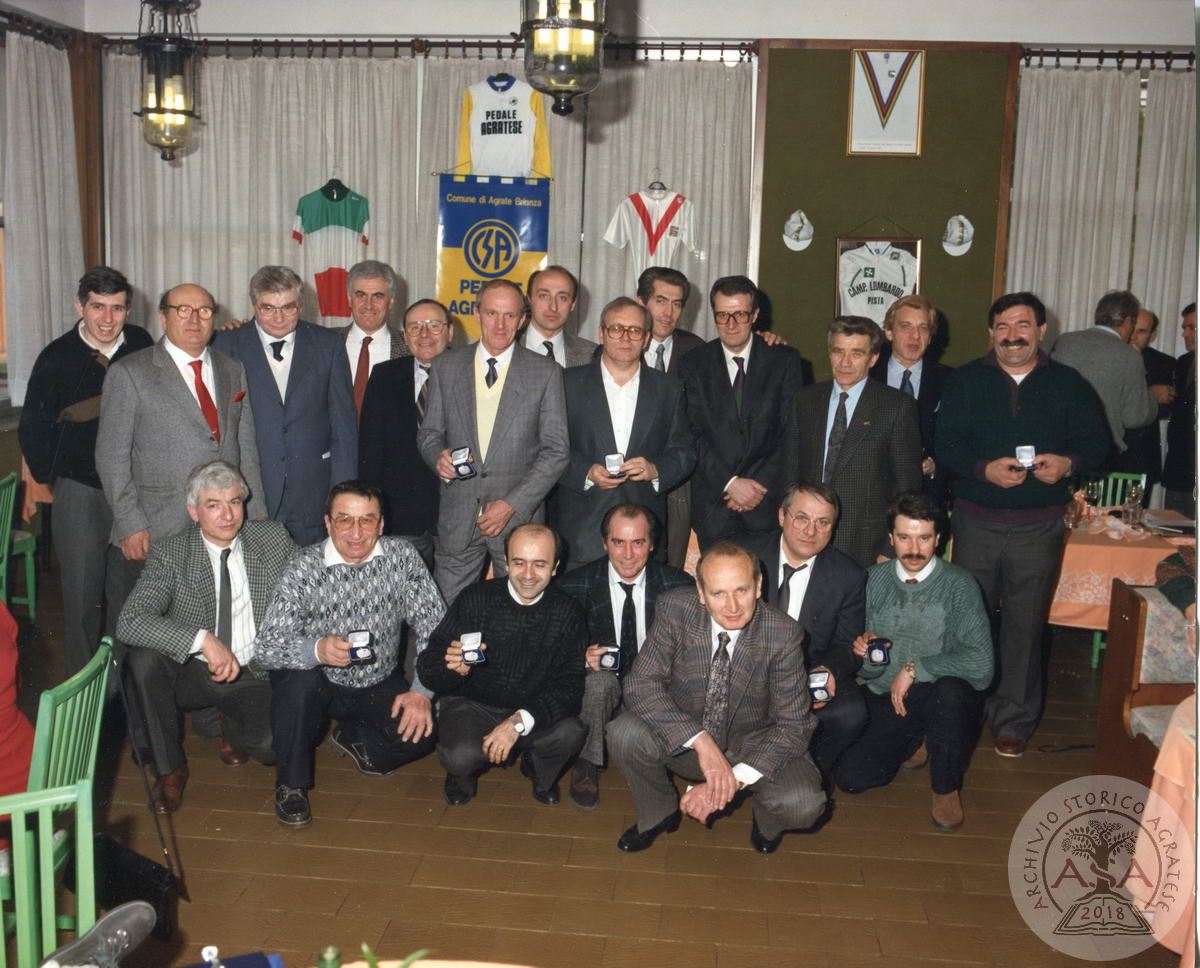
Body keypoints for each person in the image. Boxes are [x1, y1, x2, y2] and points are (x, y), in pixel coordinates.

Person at [935, 292, 1109, 758]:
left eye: (1023, 325)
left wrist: (1068, 463)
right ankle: (960, 715)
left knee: (1025, 628)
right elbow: (944, 443)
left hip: (1039, 527)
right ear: (991, 333)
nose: (1013, 335)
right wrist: (981, 470)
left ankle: (1013, 719)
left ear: (1041, 330)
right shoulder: (967, 380)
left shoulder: (1069, 383)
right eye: (1003, 327)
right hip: (975, 522)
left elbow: (1099, 444)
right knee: (967, 625)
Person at [607, 542, 825, 854]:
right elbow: (641, 684)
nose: (732, 606)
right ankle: (659, 812)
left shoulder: (783, 634)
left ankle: (766, 821)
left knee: (802, 804)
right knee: (623, 733)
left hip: (751, 747)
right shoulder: (675, 609)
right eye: (718, 593)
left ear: (759, 585)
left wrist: (728, 782)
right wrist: (701, 741)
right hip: (686, 741)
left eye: (741, 590)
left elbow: (794, 727)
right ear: (700, 592)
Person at [253, 481, 445, 828]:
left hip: (377, 680)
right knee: (297, 685)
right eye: (344, 520)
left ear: (382, 525)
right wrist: (316, 649)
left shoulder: (402, 557)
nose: (356, 533)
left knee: (423, 733)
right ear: (328, 523)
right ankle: (291, 786)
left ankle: (355, 738)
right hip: (317, 681)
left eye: (367, 520)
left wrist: (420, 691)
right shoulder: (304, 566)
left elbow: (436, 629)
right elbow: (265, 647)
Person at [118, 462, 297, 814]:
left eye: (235, 502)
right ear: (193, 512)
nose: (227, 515)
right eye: (213, 505)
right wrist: (203, 640)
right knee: (143, 660)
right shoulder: (171, 553)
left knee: (274, 747)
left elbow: (311, 589)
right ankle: (170, 769)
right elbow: (130, 620)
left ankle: (231, 724)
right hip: (193, 672)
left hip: (252, 671)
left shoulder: (274, 539)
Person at [96, 283, 266, 648]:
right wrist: (129, 522)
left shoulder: (231, 368)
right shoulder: (130, 373)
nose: (194, 319)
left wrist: (256, 514)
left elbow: (244, 444)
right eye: (182, 310)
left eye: (204, 311)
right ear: (163, 316)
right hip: (154, 527)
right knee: (141, 646)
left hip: (217, 528)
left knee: (204, 629)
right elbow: (111, 456)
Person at [18, 267, 153, 677]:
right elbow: (33, 429)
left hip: (133, 494)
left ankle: (122, 692)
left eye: (117, 308)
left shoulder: (143, 346)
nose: (108, 319)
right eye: (98, 307)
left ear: (129, 309)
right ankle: (85, 698)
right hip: (82, 492)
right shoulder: (56, 357)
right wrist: (58, 477)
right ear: (81, 306)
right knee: (82, 602)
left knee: (131, 598)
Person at [834, 493, 993, 831]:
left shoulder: (960, 584)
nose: (914, 549)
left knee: (951, 693)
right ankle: (916, 738)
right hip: (885, 695)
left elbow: (982, 663)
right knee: (851, 778)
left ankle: (946, 787)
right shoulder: (871, 580)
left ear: (939, 539)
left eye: (924, 538)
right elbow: (862, 670)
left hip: (937, 693)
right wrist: (863, 655)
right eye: (904, 537)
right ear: (890, 538)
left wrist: (916, 668)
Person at [417, 279, 569, 605]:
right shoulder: (446, 365)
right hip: (458, 517)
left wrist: (511, 504)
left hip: (517, 522)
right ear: (476, 313)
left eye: (509, 316)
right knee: (446, 616)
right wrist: (437, 458)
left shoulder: (545, 372)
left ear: (522, 319)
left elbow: (556, 452)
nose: (500, 324)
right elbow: (429, 434)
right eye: (491, 313)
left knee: (522, 618)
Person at [417, 524, 587, 807]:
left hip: (531, 709)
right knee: (460, 757)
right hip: (474, 705)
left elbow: (570, 686)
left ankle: (538, 769)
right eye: (519, 563)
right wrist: (451, 669)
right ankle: (460, 776)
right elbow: (428, 667)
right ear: (506, 562)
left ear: (555, 567)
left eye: (540, 564)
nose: (529, 575)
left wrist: (518, 722)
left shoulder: (568, 612)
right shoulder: (476, 598)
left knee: (572, 732)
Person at [557, 504, 693, 809]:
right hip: (602, 692)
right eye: (618, 542)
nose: (628, 554)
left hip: (657, 689)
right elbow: (552, 651)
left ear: (652, 544)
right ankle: (586, 764)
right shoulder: (573, 586)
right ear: (605, 543)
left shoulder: (680, 586)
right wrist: (580, 656)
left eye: (638, 542)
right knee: (599, 683)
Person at [213, 266, 357, 546]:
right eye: (268, 308)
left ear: (301, 304)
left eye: (288, 307)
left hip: (314, 491)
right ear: (254, 305)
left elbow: (344, 426)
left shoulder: (328, 344)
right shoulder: (225, 344)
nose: (278, 318)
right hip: (250, 492)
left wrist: (343, 493)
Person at [738, 483, 867, 781]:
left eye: (823, 522)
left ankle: (807, 775)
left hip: (806, 671)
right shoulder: (744, 554)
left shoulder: (848, 575)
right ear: (782, 516)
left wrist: (828, 670)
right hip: (743, 668)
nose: (811, 531)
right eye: (802, 518)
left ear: (833, 528)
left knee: (851, 714)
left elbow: (847, 644)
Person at [555, 297, 695, 569]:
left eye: (635, 331)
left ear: (646, 339)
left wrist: (655, 469)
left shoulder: (670, 389)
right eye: (616, 329)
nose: (625, 338)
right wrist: (585, 472)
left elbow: (685, 452)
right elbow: (551, 448)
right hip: (581, 530)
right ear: (601, 333)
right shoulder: (566, 383)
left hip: (644, 531)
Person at [783, 316, 922, 568]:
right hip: (805, 539)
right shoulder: (805, 400)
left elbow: (907, 488)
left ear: (873, 358)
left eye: (856, 354)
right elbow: (791, 471)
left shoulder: (896, 407)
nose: (845, 363)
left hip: (865, 545)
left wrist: (889, 548)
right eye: (838, 352)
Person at [678, 275, 805, 549]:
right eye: (723, 315)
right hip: (715, 505)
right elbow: (690, 433)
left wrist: (756, 485)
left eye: (740, 314)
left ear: (756, 314)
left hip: (766, 504)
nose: (731, 324)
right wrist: (730, 482)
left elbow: (791, 432)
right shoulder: (692, 364)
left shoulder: (785, 361)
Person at [358, 298, 453, 568]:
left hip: (455, 516)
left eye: (434, 326)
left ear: (450, 331)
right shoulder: (384, 376)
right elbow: (370, 450)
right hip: (401, 518)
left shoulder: (473, 373)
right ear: (405, 335)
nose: (424, 335)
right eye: (414, 327)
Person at [636, 266, 705, 567]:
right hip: (628, 475)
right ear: (642, 302)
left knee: (671, 563)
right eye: (661, 301)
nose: (668, 312)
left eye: (677, 304)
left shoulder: (698, 351)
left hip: (678, 480)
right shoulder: (613, 349)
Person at [1050, 290, 1163, 468]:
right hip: (1101, 453)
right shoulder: (1129, 355)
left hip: (1058, 448)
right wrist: (1152, 398)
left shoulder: (1065, 341)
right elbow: (1134, 417)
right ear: (1127, 321)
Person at [869, 294, 953, 504]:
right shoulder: (867, 377)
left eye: (923, 328)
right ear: (889, 332)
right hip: (872, 496)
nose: (915, 336)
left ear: (931, 336)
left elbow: (959, 440)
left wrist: (935, 464)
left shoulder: (952, 381)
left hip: (928, 497)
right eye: (905, 326)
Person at [337, 260, 408, 417]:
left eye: (378, 296)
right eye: (360, 295)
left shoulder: (410, 348)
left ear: (391, 302)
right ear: (349, 299)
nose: (368, 305)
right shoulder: (325, 343)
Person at [1123, 308, 1177, 496]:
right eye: (1131, 328)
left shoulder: (1164, 363)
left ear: (1152, 335)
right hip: (1104, 456)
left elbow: (1166, 410)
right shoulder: (1106, 358)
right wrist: (1150, 394)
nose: (1133, 335)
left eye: (1142, 331)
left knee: (1134, 519)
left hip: (1141, 456)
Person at [519, 265, 596, 367]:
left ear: (572, 304)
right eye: (544, 296)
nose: (553, 307)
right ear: (529, 299)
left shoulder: (592, 355)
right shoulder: (504, 347)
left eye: (562, 298)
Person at [1162, 303, 1196, 514]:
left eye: (1193, 328)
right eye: (1185, 328)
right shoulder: (1183, 363)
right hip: (1178, 469)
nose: (1185, 334)